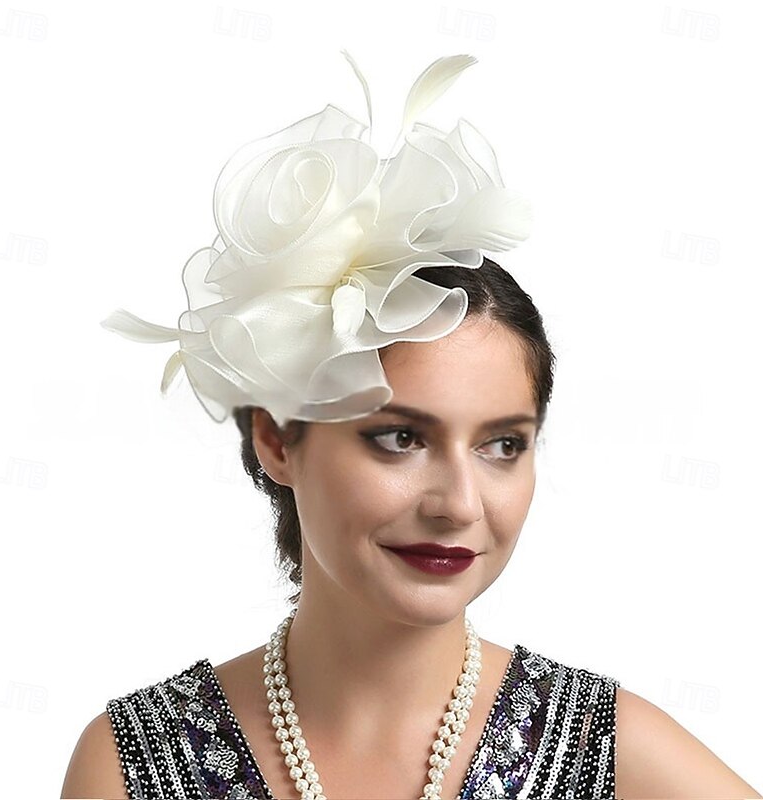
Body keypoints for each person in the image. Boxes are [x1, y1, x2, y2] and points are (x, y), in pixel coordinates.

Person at [60, 52, 761, 800]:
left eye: (503, 445)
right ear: (277, 437)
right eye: (400, 437)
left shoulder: (613, 758)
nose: (459, 503)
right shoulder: (134, 767)